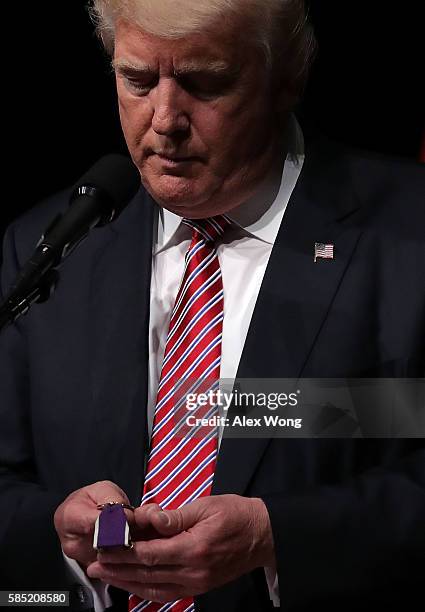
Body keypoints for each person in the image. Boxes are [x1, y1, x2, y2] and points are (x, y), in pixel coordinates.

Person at [0, 1, 424, 611]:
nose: (165, 120)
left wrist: (277, 538)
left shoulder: (408, 234)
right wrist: (59, 535)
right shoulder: (47, 249)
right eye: (138, 81)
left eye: (207, 82)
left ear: (288, 79)